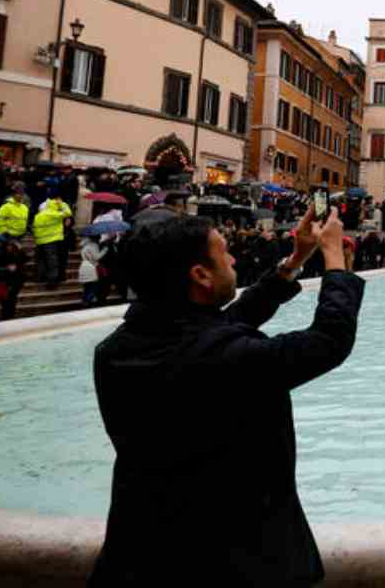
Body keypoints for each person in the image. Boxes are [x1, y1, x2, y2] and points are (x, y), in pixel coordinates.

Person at [88, 208, 361, 586]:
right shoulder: (227, 357)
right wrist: (335, 261)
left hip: (138, 556)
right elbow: (329, 341)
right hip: (236, 566)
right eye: (224, 253)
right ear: (199, 275)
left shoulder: (114, 351)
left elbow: (226, 322)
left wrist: (296, 260)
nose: (233, 259)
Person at [32, 192, 72, 290]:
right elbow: (68, 213)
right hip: (52, 241)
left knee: (41, 261)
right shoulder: (54, 214)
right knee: (52, 263)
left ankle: (39, 278)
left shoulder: (39, 215)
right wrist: (62, 203)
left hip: (40, 241)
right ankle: (52, 282)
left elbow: (34, 229)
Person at [79, 235, 105, 306]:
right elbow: (97, 257)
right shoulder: (93, 245)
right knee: (94, 286)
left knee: (87, 286)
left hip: (84, 266)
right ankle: (88, 300)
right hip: (91, 267)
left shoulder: (84, 245)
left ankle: (84, 300)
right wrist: (105, 250)